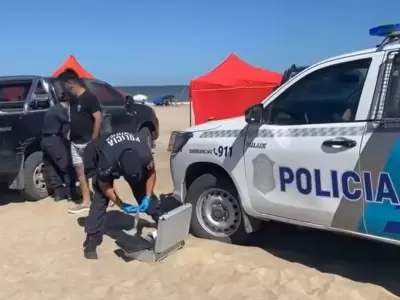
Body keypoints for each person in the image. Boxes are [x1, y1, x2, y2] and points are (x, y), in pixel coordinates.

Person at [82, 131, 160, 259]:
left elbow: (151, 174)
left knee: (142, 188)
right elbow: (105, 186)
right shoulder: (107, 160)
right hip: (99, 151)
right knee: (101, 197)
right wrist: (121, 204)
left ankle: (160, 219)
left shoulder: (144, 154)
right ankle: (92, 238)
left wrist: (147, 197)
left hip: (123, 151)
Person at [57, 69, 102, 214]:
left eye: (64, 85)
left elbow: (98, 118)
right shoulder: (73, 99)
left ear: (70, 83)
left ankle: (106, 197)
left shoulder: (89, 97)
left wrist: (94, 138)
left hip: (88, 142)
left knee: (97, 172)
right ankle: (86, 201)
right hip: (75, 142)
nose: (63, 88)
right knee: (80, 173)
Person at [41, 93, 76, 201]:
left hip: (45, 141)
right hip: (55, 140)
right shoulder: (61, 112)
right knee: (66, 166)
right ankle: (71, 194)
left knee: (53, 167)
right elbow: (66, 131)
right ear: (68, 103)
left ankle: (58, 194)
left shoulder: (52, 109)